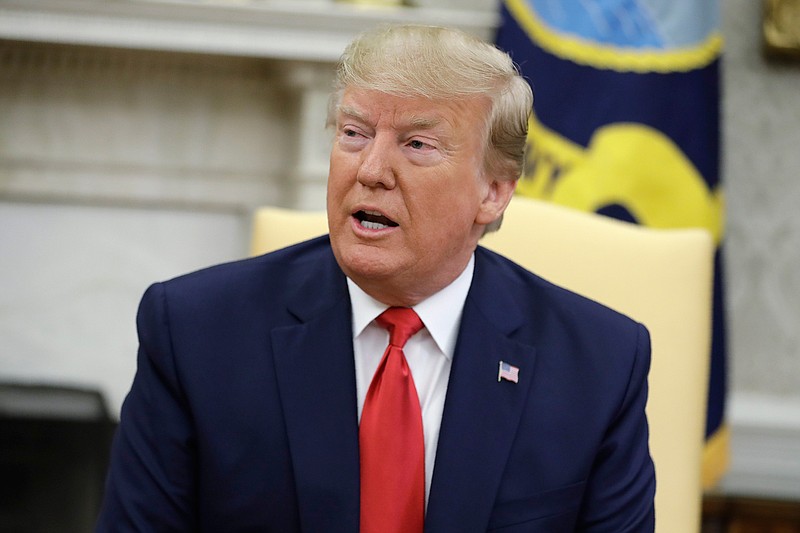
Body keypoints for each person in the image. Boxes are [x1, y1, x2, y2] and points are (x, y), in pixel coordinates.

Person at [96, 24, 655, 532]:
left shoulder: (599, 364)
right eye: (355, 133)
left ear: (494, 191)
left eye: (416, 144)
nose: (369, 170)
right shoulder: (195, 332)